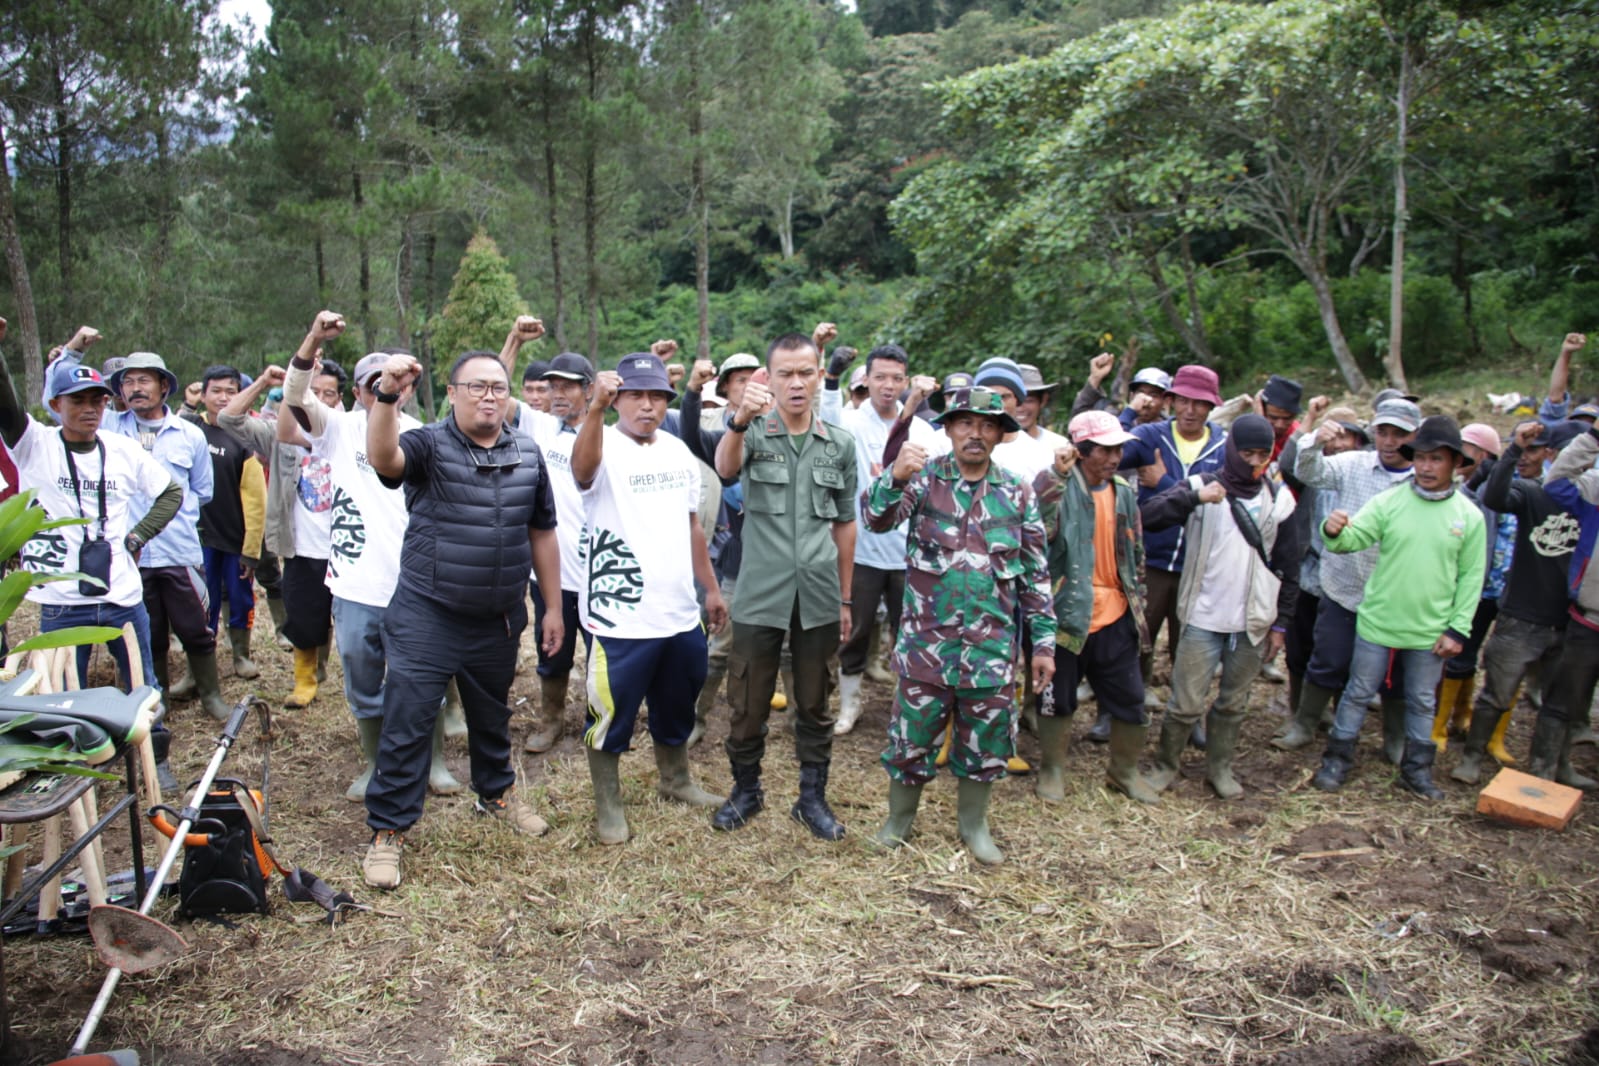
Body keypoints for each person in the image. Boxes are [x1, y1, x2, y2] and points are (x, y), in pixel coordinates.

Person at [360, 348, 563, 889]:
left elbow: (541, 531)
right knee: (408, 723)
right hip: (428, 612)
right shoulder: (428, 444)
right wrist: (385, 395)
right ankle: (387, 830)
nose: (489, 396)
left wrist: (553, 607)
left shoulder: (527, 451)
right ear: (452, 394)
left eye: (498, 386)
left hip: (497, 615)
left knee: (491, 714)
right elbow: (384, 459)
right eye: (476, 387)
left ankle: (496, 794)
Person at [864, 387, 1055, 864]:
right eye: (966, 423)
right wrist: (894, 475)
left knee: (985, 744)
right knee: (911, 740)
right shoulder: (924, 479)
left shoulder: (1017, 491)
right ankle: (898, 822)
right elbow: (874, 518)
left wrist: (1045, 644)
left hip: (990, 652)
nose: (976, 433)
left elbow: (1034, 571)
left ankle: (974, 825)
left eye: (987, 425)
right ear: (948, 428)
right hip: (926, 646)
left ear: (1000, 434)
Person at [0, 356, 185, 788]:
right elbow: (6, 408)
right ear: (55, 404)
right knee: (65, 693)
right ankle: (74, 768)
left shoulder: (121, 450)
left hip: (120, 595)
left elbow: (169, 492)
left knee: (145, 684)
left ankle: (155, 759)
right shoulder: (35, 445)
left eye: (98, 401)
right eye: (77, 401)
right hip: (62, 602)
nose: (89, 409)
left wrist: (137, 538)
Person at [570, 355, 728, 844]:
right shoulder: (601, 445)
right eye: (636, 395)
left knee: (677, 702)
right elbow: (582, 471)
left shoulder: (679, 452)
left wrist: (712, 589)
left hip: (678, 612)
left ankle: (675, 779)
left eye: (657, 396)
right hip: (620, 617)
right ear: (616, 398)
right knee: (611, 712)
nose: (647, 405)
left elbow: (692, 525)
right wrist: (593, 411)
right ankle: (609, 804)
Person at [712, 332, 857, 840]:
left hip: (818, 594)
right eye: (785, 374)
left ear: (819, 376)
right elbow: (725, 468)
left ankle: (811, 799)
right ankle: (745, 791)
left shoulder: (839, 445)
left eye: (806, 373)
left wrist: (844, 597)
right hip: (758, 594)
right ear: (769, 380)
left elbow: (844, 524)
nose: (796, 383)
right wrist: (739, 420)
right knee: (748, 702)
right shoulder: (751, 431)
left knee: (815, 705)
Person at [1312, 416, 1486, 799]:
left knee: (1423, 699)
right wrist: (1333, 529)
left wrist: (1458, 629)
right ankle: (1337, 760)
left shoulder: (1468, 517)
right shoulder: (1390, 501)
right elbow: (1350, 539)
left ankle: (1417, 769)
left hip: (1430, 630)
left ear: (1455, 464)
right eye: (1421, 458)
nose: (1425, 467)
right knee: (1358, 691)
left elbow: (1472, 577)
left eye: (1436, 459)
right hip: (1379, 621)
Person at [1138, 415, 1300, 798]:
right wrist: (1193, 497)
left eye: (1262, 454)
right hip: (1202, 615)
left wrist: (1282, 625)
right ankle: (1166, 764)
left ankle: (1220, 768)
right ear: (1231, 450)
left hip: (1253, 619)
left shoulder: (1279, 499)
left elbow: (1290, 564)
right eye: (1246, 452)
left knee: (1233, 701)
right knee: (1185, 701)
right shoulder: (1202, 485)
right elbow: (1148, 518)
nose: (1254, 461)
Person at [1278, 397, 1421, 755]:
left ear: (1415, 436)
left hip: (1397, 595)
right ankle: (1304, 724)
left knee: (1394, 672)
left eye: (1399, 434)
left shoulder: (1422, 481)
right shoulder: (1354, 464)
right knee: (1328, 658)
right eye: (1383, 432)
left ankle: (1394, 739)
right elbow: (1309, 472)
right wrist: (1313, 439)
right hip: (1343, 587)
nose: (1389, 441)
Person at [1031, 410, 1158, 804]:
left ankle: (1124, 771)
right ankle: (1052, 769)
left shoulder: (1123, 491)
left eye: (1118, 449)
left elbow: (1134, 550)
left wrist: (1137, 596)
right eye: (1104, 450)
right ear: (1081, 450)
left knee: (1129, 698)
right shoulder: (1054, 484)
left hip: (1116, 612)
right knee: (1058, 698)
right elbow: (1038, 532)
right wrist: (1056, 478)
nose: (1114, 458)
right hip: (1067, 613)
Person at [820, 343, 946, 736]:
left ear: (907, 382)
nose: (887, 386)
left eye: (896, 378)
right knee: (854, 632)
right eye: (880, 377)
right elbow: (822, 415)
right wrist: (832, 374)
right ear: (867, 380)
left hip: (909, 554)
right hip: (861, 551)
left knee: (909, 634)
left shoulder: (924, 431)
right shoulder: (850, 421)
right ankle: (850, 703)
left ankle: (908, 707)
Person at [1450, 420, 1586, 784]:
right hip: (1522, 617)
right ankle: (1472, 757)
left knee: (1560, 703)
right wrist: (1511, 452)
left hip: (1573, 620)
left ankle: (1551, 767)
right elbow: (1494, 498)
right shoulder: (1533, 493)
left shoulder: (1592, 502)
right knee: (1498, 693)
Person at [103, 353, 227, 723]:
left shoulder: (189, 434)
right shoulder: (110, 430)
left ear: (163, 386)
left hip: (179, 549)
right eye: (128, 382)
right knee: (148, 630)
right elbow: (54, 403)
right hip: (129, 554)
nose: (136, 389)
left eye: (144, 381)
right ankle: (156, 701)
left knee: (196, 627)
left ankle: (211, 694)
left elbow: (203, 490)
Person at [1117, 365, 1230, 739]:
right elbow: (1109, 452)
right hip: (1151, 558)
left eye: (1200, 403)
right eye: (1183, 400)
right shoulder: (1151, 435)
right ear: (1170, 401)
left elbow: (1223, 495)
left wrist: (1165, 483)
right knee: (1136, 637)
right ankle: (1119, 708)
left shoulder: (1224, 447)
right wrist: (1130, 412)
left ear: (1212, 406)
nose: (1191, 410)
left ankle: (1189, 716)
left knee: (1191, 645)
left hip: (1200, 563)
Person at [520, 351, 597, 753]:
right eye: (553, 386)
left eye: (569, 385)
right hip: (553, 572)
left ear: (589, 390)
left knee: (604, 654)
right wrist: (514, 340)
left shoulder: (609, 437)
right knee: (553, 649)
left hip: (600, 573)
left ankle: (599, 722)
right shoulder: (540, 428)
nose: (558, 393)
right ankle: (551, 720)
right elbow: (491, 387)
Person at [1529, 420, 1599, 787]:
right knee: (1564, 697)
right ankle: (1546, 769)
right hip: (1590, 618)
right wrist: (1593, 437)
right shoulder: (1596, 490)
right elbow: (1556, 481)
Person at [191, 365, 267, 679]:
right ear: (203, 394)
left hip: (235, 538)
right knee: (199, 598)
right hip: (198, 539)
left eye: (230, 392)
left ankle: (241, 654)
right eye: (216, 391)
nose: (223, 398)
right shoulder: (189, 432)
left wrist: (252, 549)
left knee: (239, 596)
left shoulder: (244, 439)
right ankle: (201, 660)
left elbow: (255, 500)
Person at [1538, 333, 1587, 425]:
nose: (1584, 426)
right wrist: (1566, 353)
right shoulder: (1563, 433)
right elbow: (1555, 400)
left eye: (1590, 423)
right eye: (1579, 423)